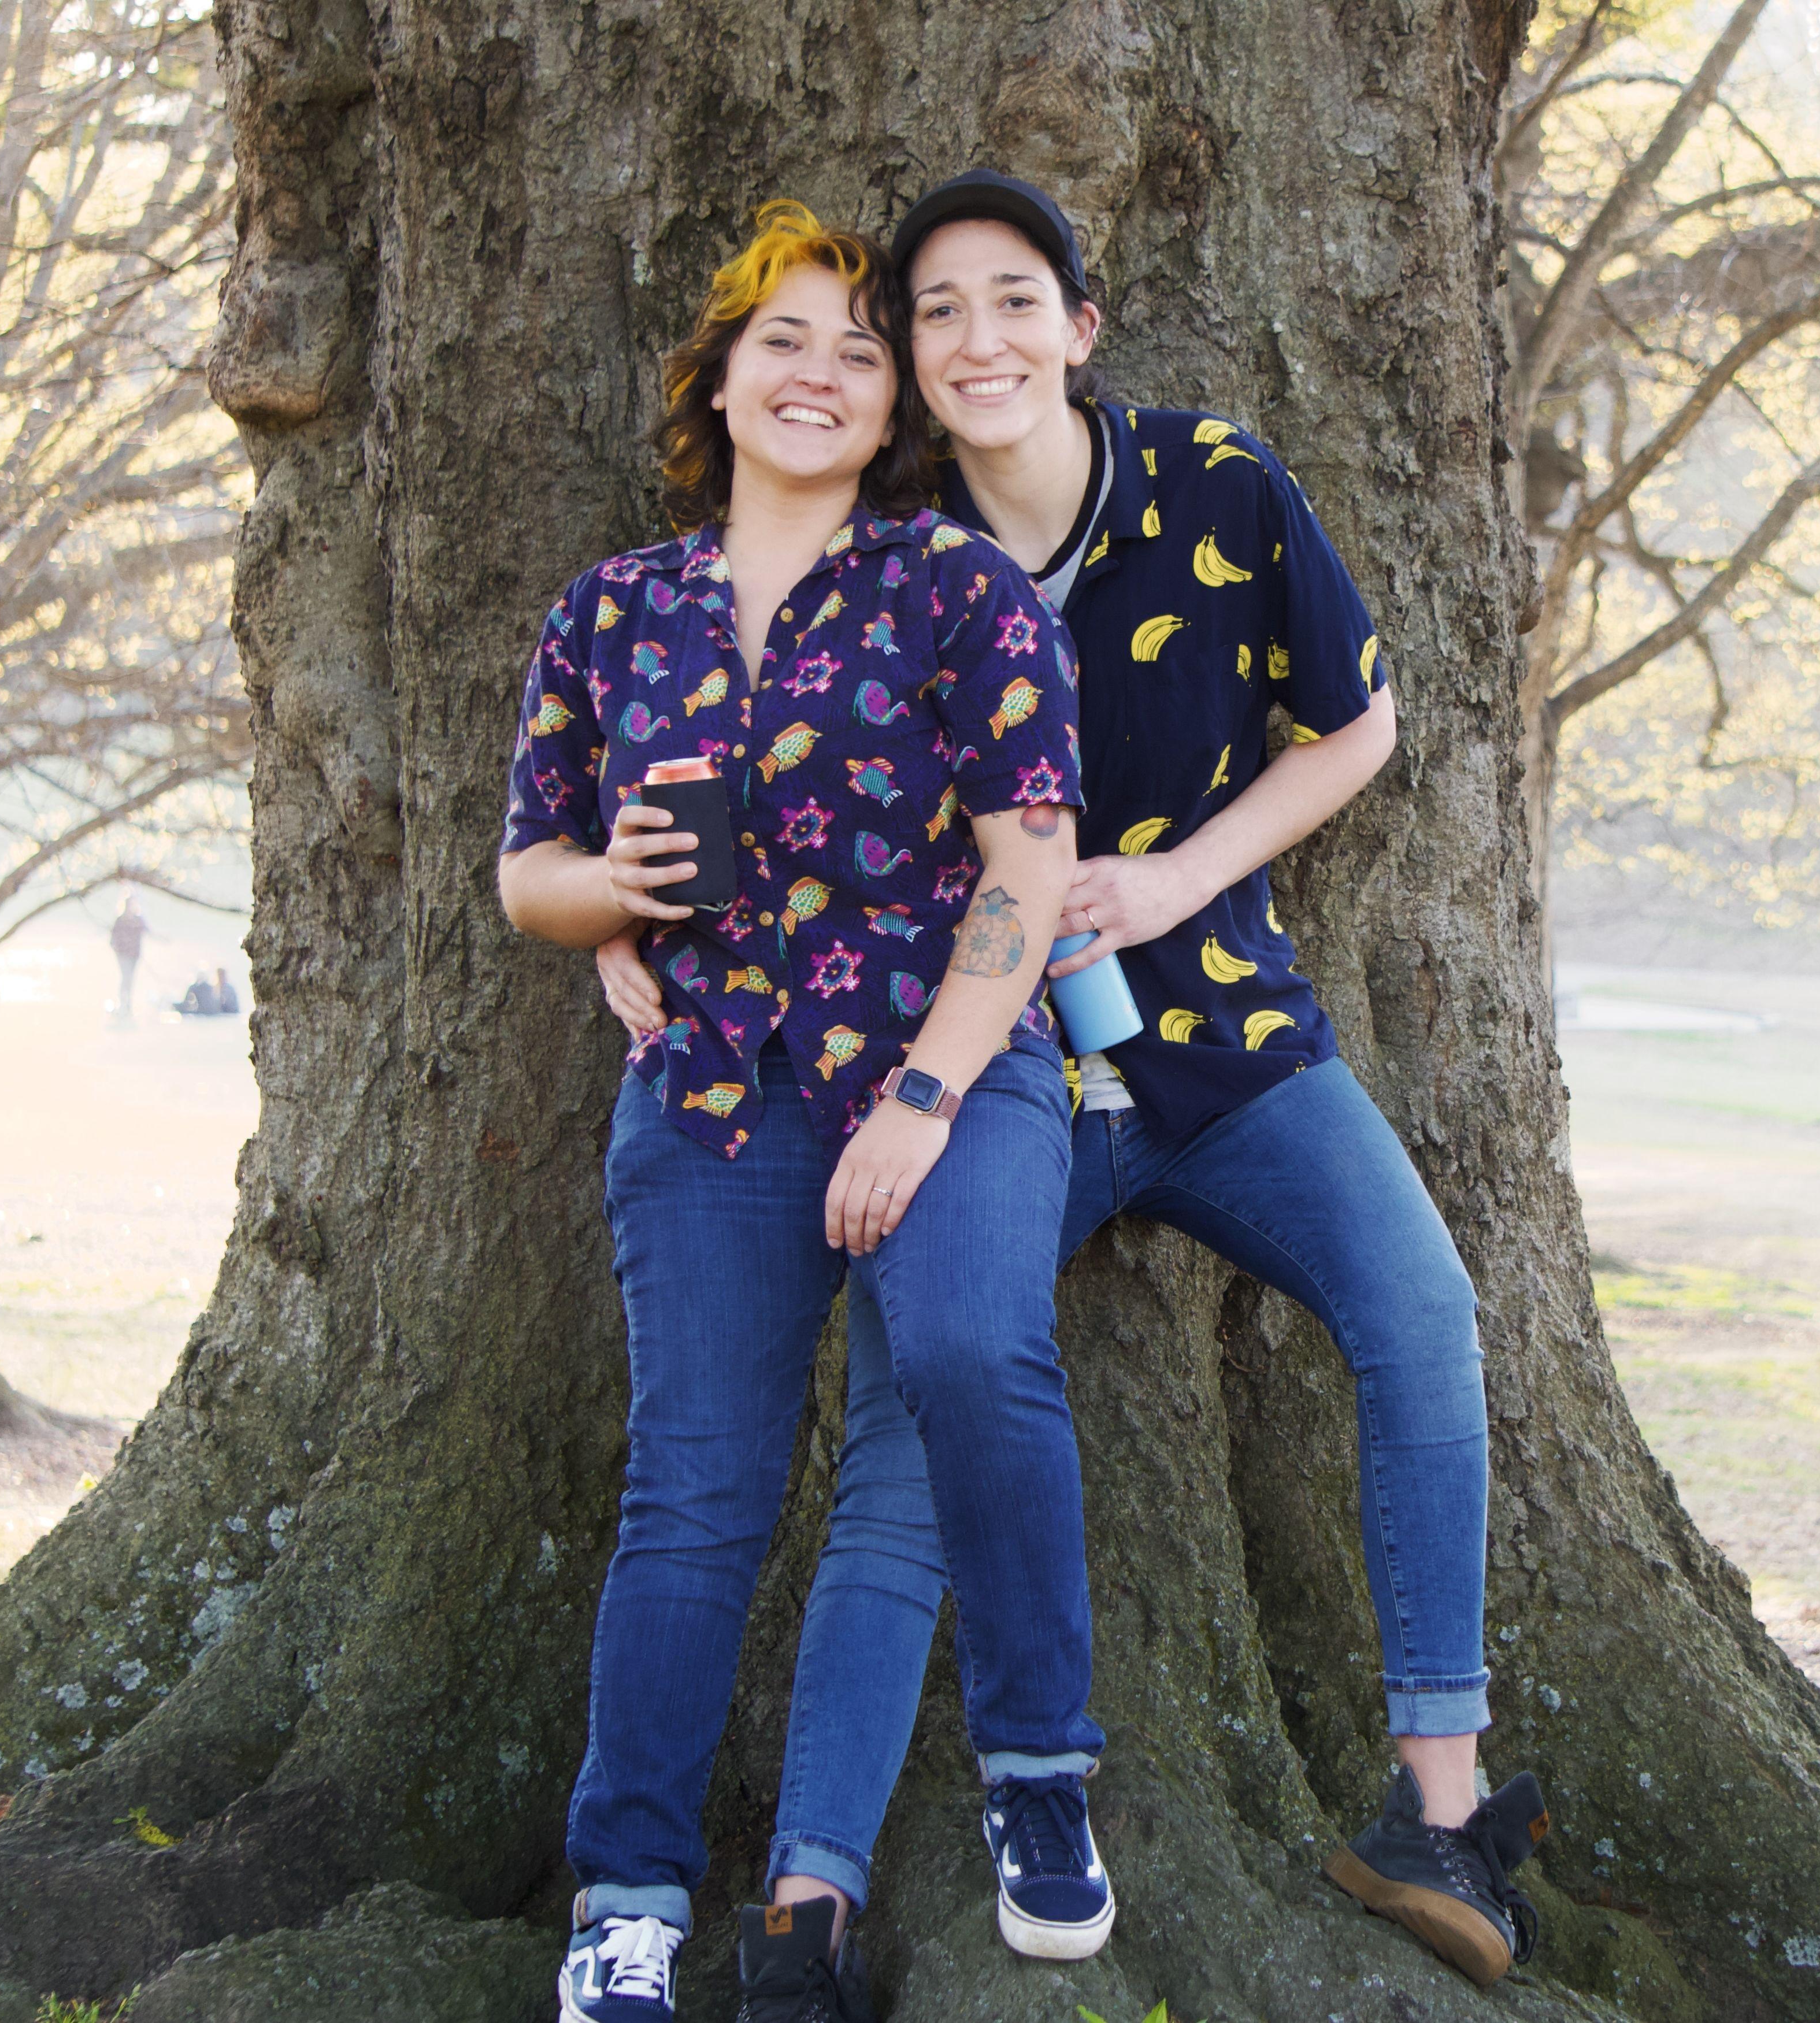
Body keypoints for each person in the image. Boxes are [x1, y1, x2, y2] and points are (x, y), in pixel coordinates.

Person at [604, 169, 1547, 1990]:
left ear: (1080, 326)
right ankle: (809, 1896)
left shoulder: (1213, 483)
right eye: (937, 312)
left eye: (1015, 300)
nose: (978, 341)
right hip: (985, 1075)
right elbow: (728, 772)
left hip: (1218, 1039)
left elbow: (1359, 716)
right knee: (908, 1447)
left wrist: (1182, 876)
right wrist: (614, 919)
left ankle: (1439, 1807)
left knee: (1424, 1312)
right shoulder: (886, 551)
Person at [505, 200, 1096, 2023]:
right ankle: (627, 1898)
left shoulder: (954, 590)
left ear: (892, 402)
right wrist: (610, 893)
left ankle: (1038, 1763)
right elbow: (527, 870)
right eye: (785, 339)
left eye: (859, 348)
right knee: (693, 1494)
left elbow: (1030, 862)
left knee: (974, 1352)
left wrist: (922, 1095)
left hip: (951, 1066)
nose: (821, 372)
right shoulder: (613, 610)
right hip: (711, 1097)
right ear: (719, 377)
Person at [108, 896, 149, 1020]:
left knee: (130, 979)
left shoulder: (138, 920)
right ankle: (123, 1004)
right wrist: (118, 950)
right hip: (123, 955)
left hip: (134, 956)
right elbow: (112, 939)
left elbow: (147, 930)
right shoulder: (120, 920)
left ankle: (128, 1004)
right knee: (126, 977)